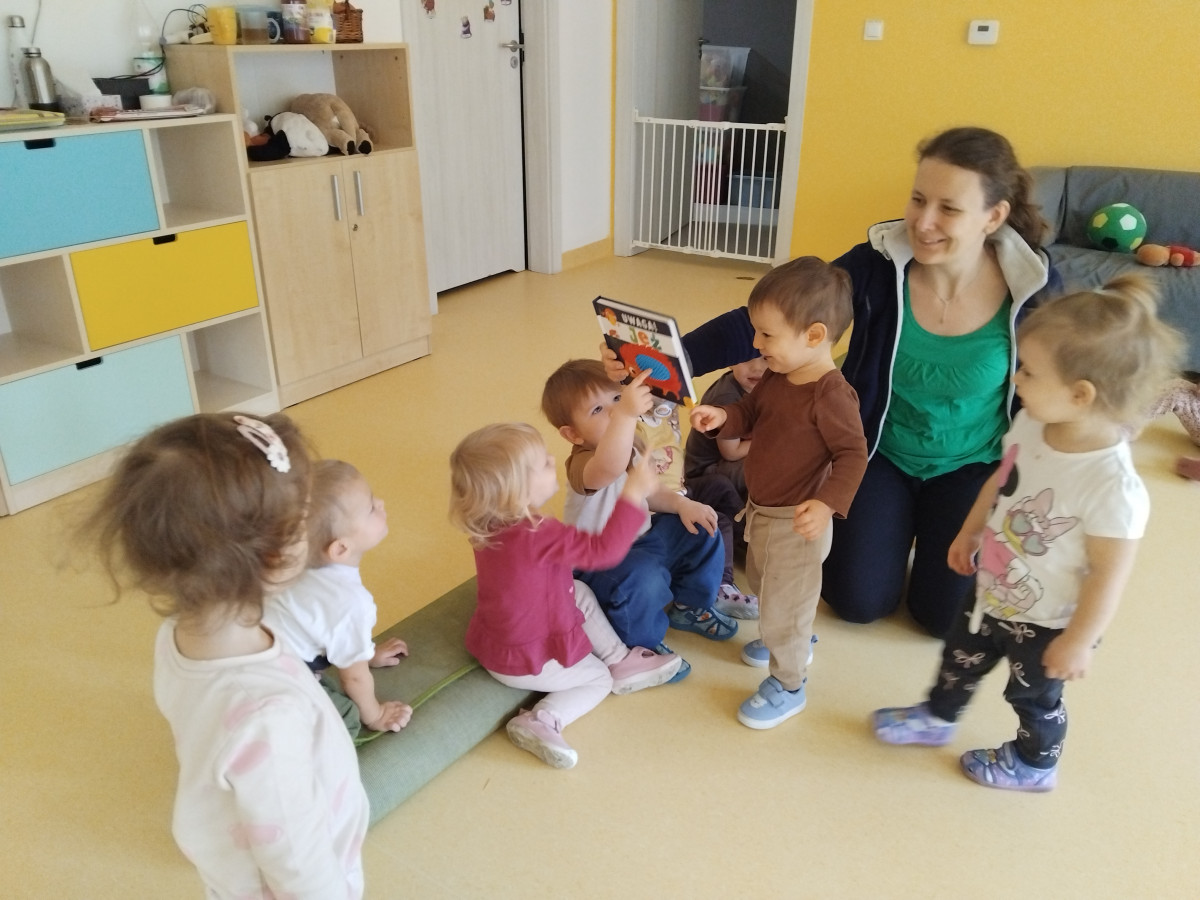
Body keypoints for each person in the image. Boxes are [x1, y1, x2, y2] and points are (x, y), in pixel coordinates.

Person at [676, 126, 1063, 638]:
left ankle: (926, 539)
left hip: (974, 465)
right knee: (857, 601)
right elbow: (780, 316)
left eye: (948, 208)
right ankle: (894, 533)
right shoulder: (879, 264)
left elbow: (1074, 374)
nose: (924, 221)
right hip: (878, 454)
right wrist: (669, 360)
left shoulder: (1033, 286)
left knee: (943, 619)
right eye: (918, 199)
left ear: (993, 216)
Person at [871, 274, 1183, 791]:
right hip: (993, 587)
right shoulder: (1033, 423)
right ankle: (939, 716)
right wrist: (970, 532)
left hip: (1049, 622)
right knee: (959, 658)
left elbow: (1108, 575)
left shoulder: (1113, 488)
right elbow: (1002, 480)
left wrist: (1078, 642)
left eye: (1029, 372)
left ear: (1080, 395)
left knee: (1034, 697)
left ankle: (1035, 764)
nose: (1016, 379)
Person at [87, 413, 369, 898]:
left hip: (232, 853)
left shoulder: (179, 635)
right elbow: (300, 865)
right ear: (276, 557)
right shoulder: (267, 717)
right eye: (304, 518)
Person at [691, 257, 868, 728]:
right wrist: (723, 418)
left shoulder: (831, 395)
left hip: (798, 523)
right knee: (765, 585)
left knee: (786, 600)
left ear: (814, 335)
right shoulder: (778, 375)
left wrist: (827, 504)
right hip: (763, 510)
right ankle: (786, 633)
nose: (755, 343)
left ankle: (789, 684)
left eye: (767, 334)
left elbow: (853, 454)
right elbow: (750, 412)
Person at [448, 422, 682, 769]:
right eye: (543, 463)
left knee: (580, 590)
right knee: (598, 679)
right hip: (524, 660)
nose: (552, 461)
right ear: (516, 491)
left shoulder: (489, 524)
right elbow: (604, 551)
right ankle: (543, 719)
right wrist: (632, 495)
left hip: (498, 640)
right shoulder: (540, 533)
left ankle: (621, 659)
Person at [541, 362, 734, 675]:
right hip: (600, 564)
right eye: (598, 410)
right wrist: (626, 414)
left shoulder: (632, 445)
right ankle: (642, 643)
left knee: (701, 528)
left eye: (617, 399)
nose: (614, 412)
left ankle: (689, 605)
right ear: (573, 434)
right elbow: (610, 466)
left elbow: (651, 492)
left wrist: (683, 504)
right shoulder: (582, 464)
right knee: (644, 576)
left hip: (642, 541)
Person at [263, 459, 413, 739]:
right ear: (341, 548)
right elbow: (353, 677)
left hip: (247, 656)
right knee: (345, 719)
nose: (380, 502)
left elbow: (325, 626)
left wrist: (365, 653)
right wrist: (375, 714)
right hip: (276, 684)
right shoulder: (350, 603)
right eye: (371, 508)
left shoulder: (285, 563)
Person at [683, 356, 769, 618]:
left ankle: (750, 536)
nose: (756, 367)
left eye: (764, 358)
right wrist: (774, 438)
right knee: (771, 463)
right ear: (730, 361)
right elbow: (732, 453)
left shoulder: (768, 384)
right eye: (745, 359)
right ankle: (747, 540)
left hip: (726, 469)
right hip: (706, 472)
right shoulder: (726, 396)